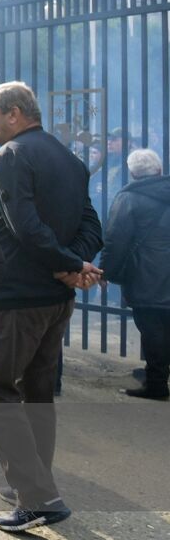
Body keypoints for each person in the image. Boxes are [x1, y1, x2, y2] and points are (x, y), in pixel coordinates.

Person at [0, 81, 103, 534]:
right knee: (37, 392)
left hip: (17, 297)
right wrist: (74, 266)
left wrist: (69, 264)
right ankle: (35, 484)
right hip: (55, 299)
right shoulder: (67, 157)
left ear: (14, 113)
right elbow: (92, 222)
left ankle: (37, 496)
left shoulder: (11, 155)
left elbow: (23, 227)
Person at [101, 148, 170, 400]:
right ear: (159, 170)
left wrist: (105, 271)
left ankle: (157, 384)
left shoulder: (128, 198)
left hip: (145, 274)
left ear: (131, 173)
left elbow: (116, 240)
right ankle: (158, 373)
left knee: (152, 329)